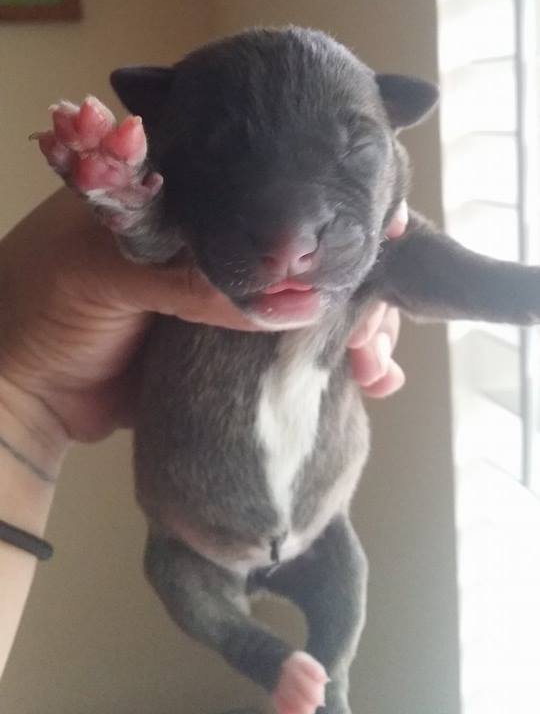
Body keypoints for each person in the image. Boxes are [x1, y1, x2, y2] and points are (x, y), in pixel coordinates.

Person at [0, 189, 406, 677]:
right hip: (189, 537)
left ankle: (329, 685)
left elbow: (409, 250)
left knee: (345, 587)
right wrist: (23, 394)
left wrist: (27, 395)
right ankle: (263, 656)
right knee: (178, 580)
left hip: (324, 523)